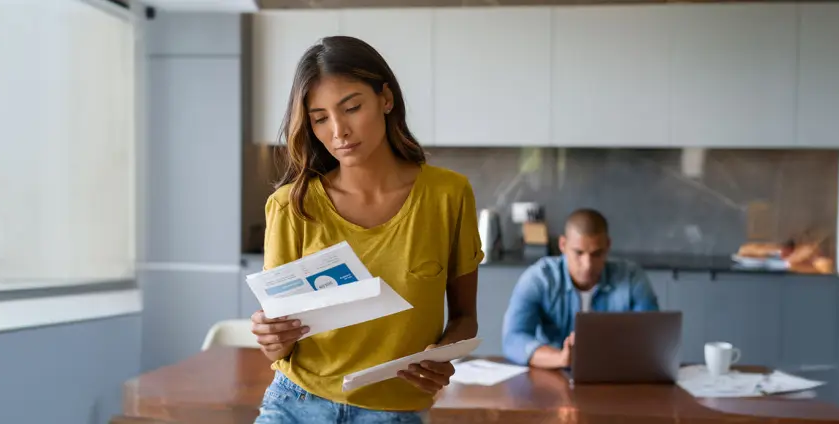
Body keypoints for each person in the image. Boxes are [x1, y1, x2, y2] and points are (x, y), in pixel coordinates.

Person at [249, 36, 483, 424]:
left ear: (385, 99)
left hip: (395, 412)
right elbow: (280, 350)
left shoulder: (448, 195)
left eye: (352, 107)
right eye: (321, 118)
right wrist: (271, 337)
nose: (339, 130)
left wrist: (441, 358)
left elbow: (465, 317)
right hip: (296, 403)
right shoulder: (291, 205)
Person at [500, 209, 660, 369]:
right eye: (578, 253)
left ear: (608, 246)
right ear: (562, 245)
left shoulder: (631, 278)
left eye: (597, 253)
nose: (587, 265)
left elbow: (651, 337)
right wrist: (560, 358)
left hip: (615, 374)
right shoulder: (540, 278)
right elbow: (513, 338)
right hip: (555, 375)